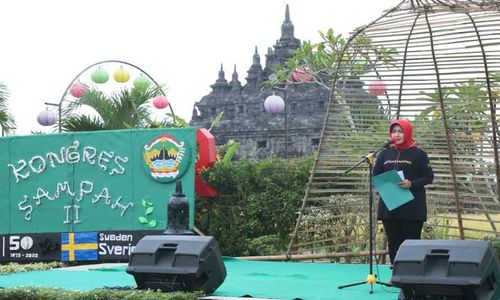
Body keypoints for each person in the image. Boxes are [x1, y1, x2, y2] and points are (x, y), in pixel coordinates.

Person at [374, 118, 434, 265]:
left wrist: (411, 184)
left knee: (411, 244)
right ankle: (396, 275)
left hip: (412, 207)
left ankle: (411, 277)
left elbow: (429, 177)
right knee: (394, 243)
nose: (397, 134)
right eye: (394, 131)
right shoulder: (384, 154)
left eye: (400, 131)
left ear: (407, 132)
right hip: (390, 205)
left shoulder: (419, 154)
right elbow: (375, 175)